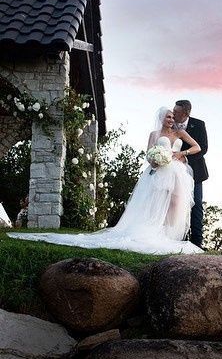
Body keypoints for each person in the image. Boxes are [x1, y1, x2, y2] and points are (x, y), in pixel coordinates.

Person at [7, 107, 204, 255]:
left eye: (172, 116)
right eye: (167, 116)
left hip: (176, 172)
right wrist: (155, 160)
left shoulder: (180, 133)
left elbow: (197, 147)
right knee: (155, 203)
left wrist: (181, 154)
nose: (170, 119)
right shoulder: (154, 134)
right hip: (158, 171)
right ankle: (154, 232)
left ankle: (168, 236)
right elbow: (148, 154)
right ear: (162, 118)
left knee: (176, 204)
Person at [173, 100, 208, 248]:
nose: (173, 114)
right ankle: (177, 238)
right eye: (173, 110)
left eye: (177, 112)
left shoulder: (199, 124)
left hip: (195, 171)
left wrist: (185, 157)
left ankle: (196, 242)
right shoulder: (169, 123)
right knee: (175, 204)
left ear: (186, 113)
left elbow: (204, 148)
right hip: (173, 172)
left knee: (196, 204)